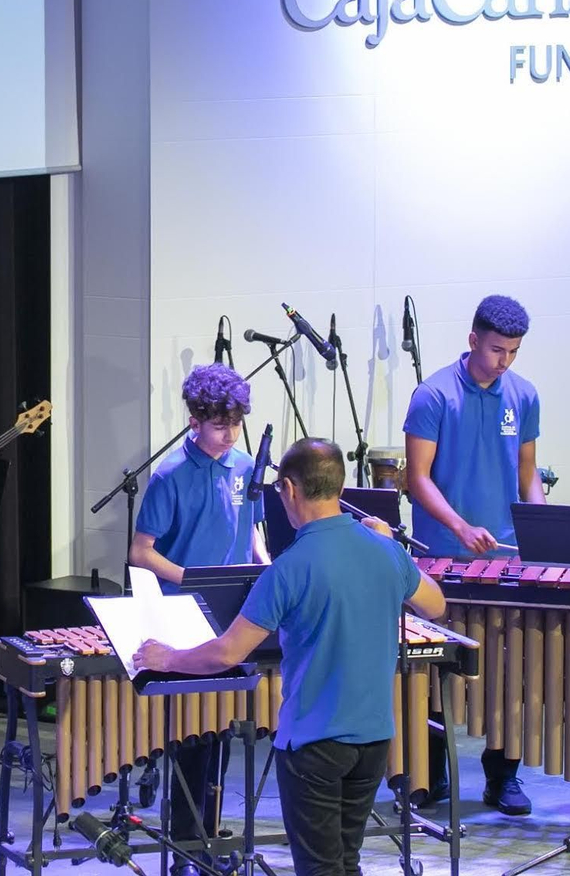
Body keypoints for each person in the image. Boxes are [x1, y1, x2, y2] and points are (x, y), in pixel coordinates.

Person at [136, 439, 446, 876]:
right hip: (373, 740)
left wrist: (166, 659)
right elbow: (435, 605)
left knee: (319, 869)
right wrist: (392, 544)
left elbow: (228, 652)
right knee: (346, 862)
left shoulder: (288, 568)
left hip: (314, 744)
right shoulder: (385, 551)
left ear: (288, 489)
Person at [401, 295, 540, 815]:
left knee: (509, 671)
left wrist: (541, 529)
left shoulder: (524, 396)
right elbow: (417, 480)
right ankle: (430, 775)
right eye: (497, 350)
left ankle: (502, 777)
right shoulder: (433, 395)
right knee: (432, 669)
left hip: (505, 555)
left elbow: (528, 474)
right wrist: (459, 526)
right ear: (472, 340)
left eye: (513, 352)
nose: (504, 361)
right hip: (440, 557)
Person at [127, 363, 268, 848]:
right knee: (193, 736)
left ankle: (204, 831)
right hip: (183, 612)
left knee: (221, 730)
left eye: (235, 423)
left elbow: (251, 532)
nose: (230, 433)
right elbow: (140, 551)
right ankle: (189, 835)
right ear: (194, 420)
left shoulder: (247, 467)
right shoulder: (169, 476)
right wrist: (191, 577)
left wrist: (269, 571)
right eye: (219, 424)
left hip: (233, 613)